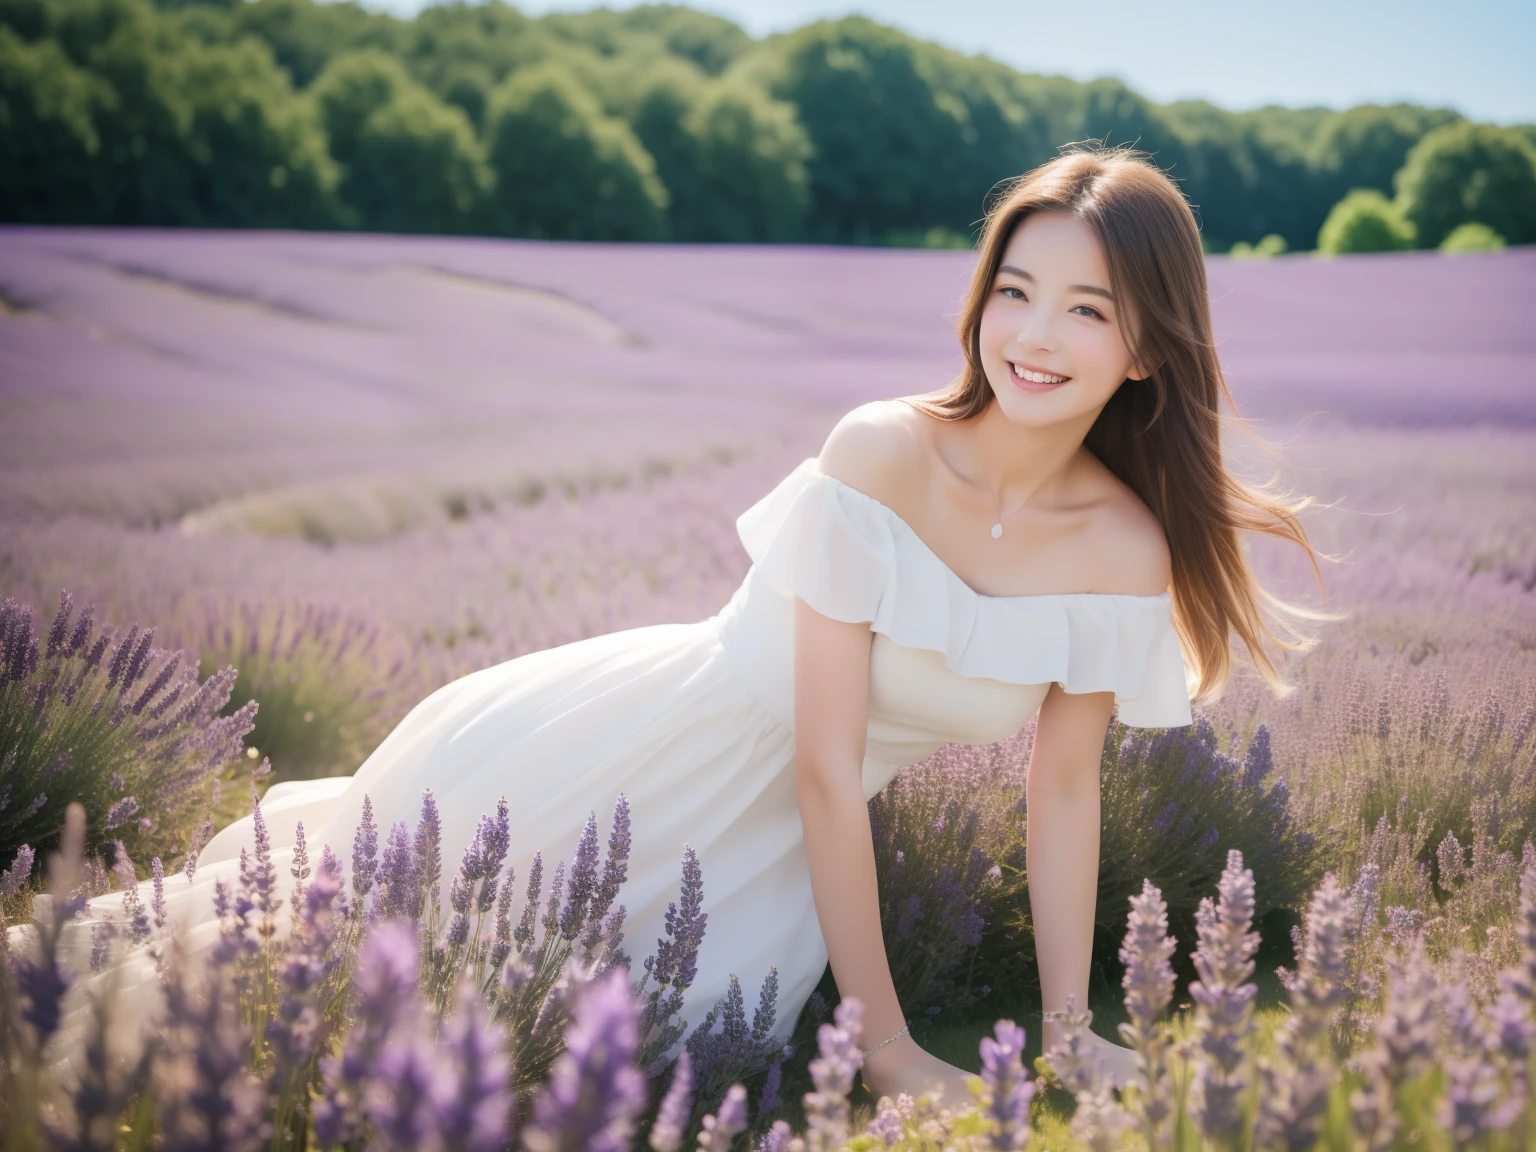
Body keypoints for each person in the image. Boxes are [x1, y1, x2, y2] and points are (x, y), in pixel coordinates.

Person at [39, 142, 1321, 1101]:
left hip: (764, 877)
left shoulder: (1121, 546)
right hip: (620, 758)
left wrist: (1067, 1023)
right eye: (1015, 292)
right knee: (300, 975)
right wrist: (878, 1042)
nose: (1033, 338)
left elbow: (1066, 792)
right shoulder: (880, 454)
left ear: (1148, 350)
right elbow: (822, 762)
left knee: (586, 1060)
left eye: (1087, 311)